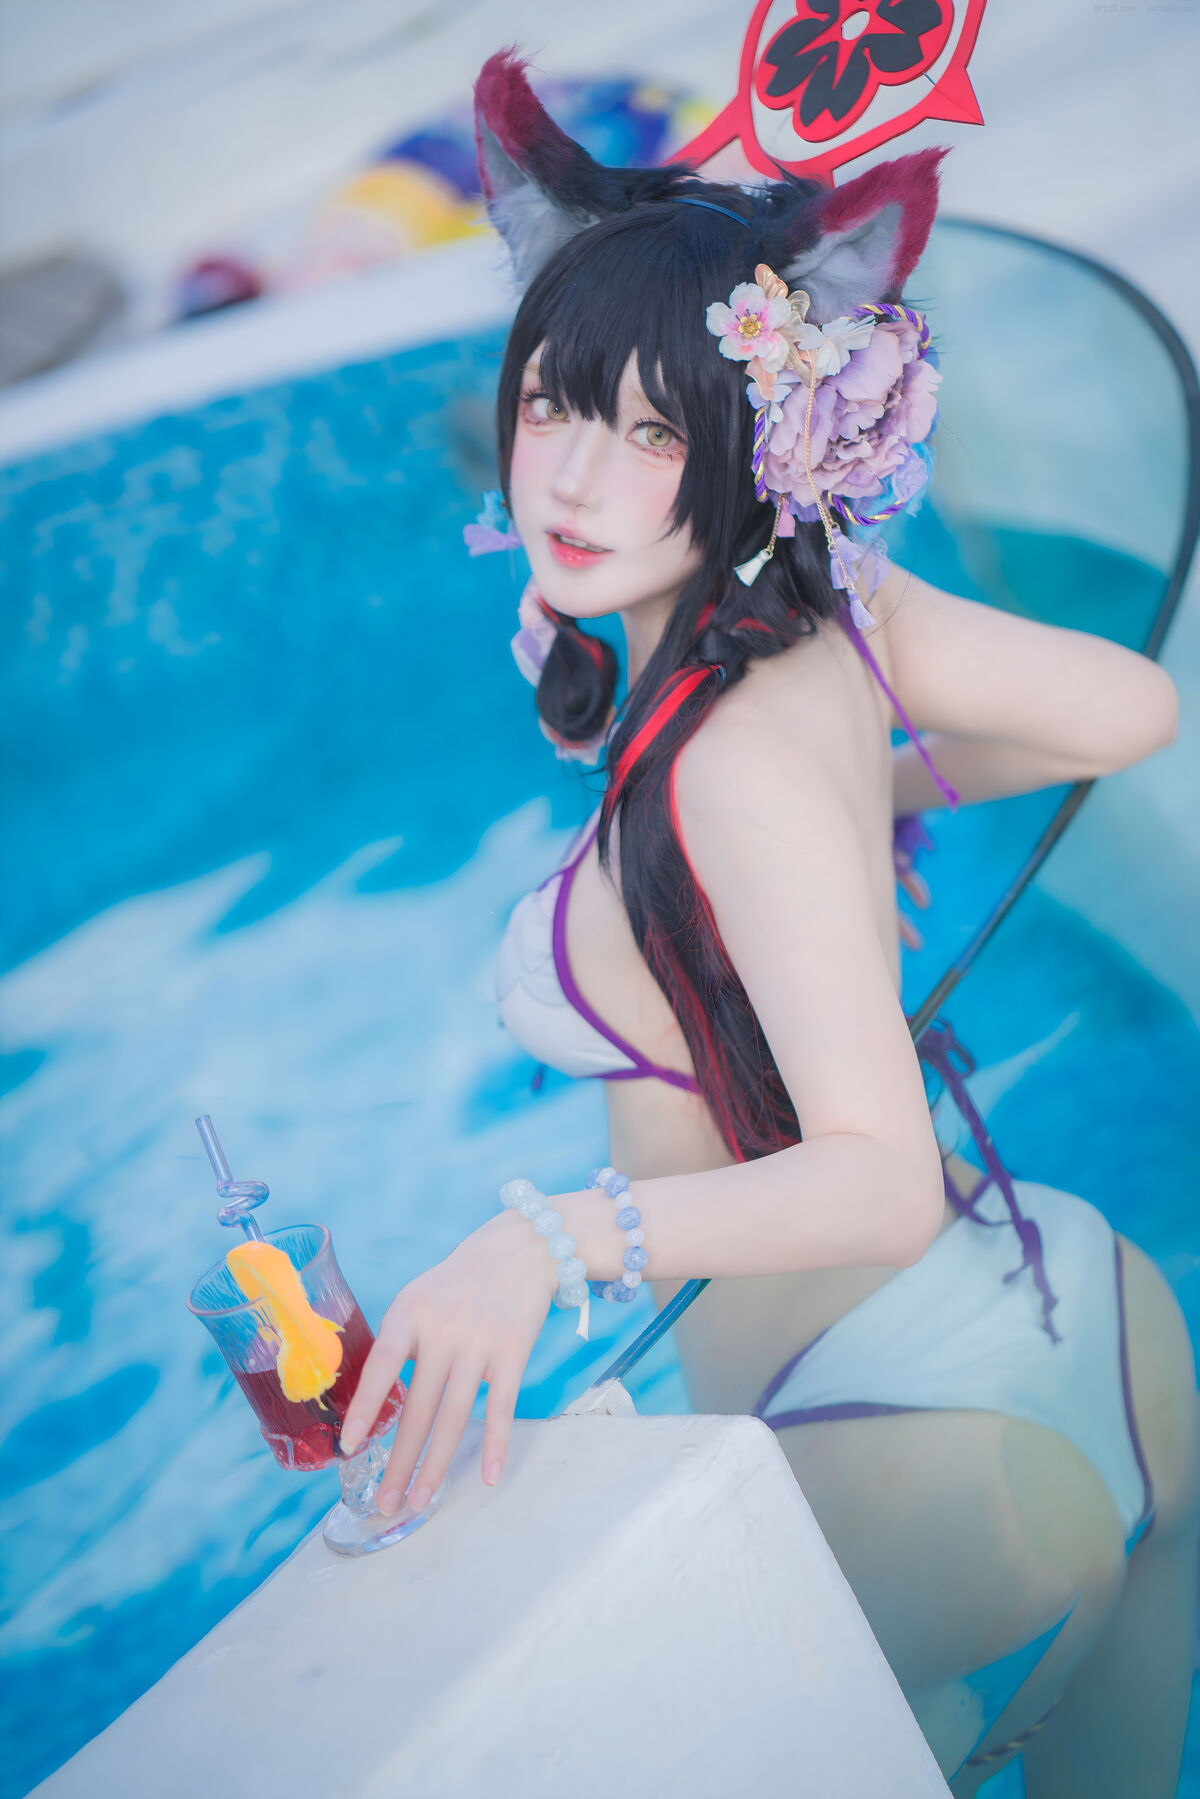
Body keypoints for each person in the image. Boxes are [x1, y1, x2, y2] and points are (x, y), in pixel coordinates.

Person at [343, 51, 1199, 1795]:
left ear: (757, 445)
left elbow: (874, 1181)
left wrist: (540, 1247)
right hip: (1101, 1334)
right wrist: (868, 793)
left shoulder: (731, 769)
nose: (576, 482)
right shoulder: (845, 620)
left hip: (890, 1436)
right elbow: (1131, 709)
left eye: (658, 432)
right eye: (555, 408)